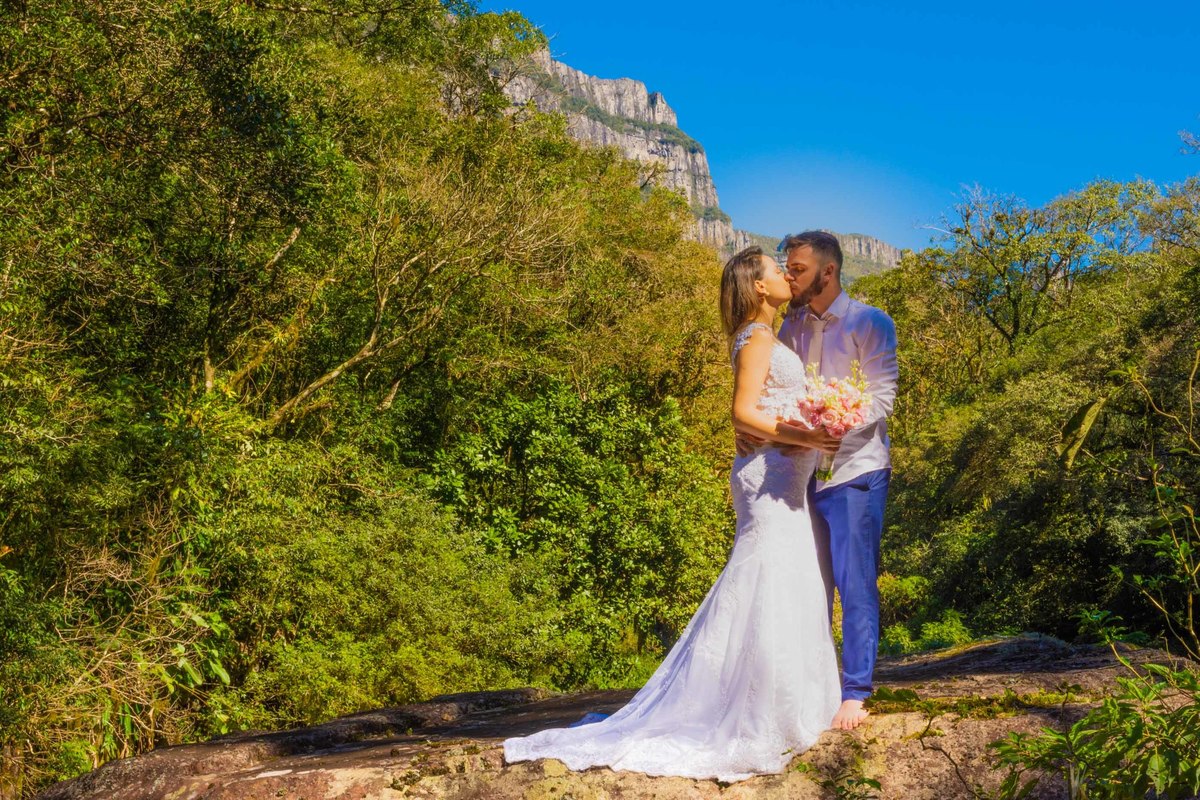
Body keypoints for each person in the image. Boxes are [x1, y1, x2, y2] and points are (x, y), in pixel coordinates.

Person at [502, 246, 842, 782]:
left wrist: (812, 427)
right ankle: (756, 711)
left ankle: (790, 702)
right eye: (777, 270)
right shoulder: (755, 338)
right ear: (757, 286)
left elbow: (766, 411)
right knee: (766, 578)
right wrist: (807, 435)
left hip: (788, 478)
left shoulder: (769, 336)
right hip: (769, 478)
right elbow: (743, 411)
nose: (784, 276)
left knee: (792, 577)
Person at [740, 230, 898, 731]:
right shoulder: (788, 328)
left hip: (856, 468)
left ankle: (854, 691)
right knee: (809, 583)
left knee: (855, 582)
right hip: (799, 474)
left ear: (827, 273)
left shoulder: (870, 322)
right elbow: (770, 392)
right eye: (786, 268)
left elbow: (881, 398)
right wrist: (753, 432)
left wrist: (833, 424)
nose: (790, 276)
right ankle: (814, 685)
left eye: (800, 269)